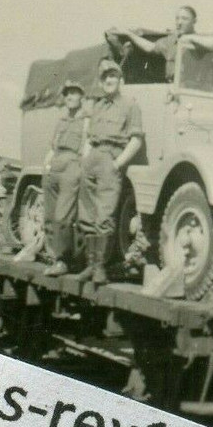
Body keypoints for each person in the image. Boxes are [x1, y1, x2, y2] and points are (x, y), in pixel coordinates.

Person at [76, 59, 144, 284]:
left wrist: (117, 163)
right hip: (92, 159)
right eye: (105, 77)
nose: (108, 80)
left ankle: (100, 268)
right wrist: (85, 158)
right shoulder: (97, 105)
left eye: (112, 76)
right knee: (87, 215)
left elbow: (136, 140)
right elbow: (88, 136)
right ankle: (90, 265)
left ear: (120, 79)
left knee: (105, 215)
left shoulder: (130, 105)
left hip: (110, 159)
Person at [40, 80, 88, 277]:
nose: (69, 97)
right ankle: (55, 257)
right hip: (55, 166)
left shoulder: (86, 120)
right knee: (50, 217)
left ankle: (64, 260)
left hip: (72, 166)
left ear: (81, 97)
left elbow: (87, 147)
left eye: (74, 93)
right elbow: (53, 147)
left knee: (63, 216)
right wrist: (46, 166)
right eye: (67, 93)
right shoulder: (61, 121)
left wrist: (80, 169)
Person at [105, 5, 213, 82]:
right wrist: (129, 34)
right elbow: (150, 47)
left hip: (192, 89)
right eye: (177, 18)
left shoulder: (200, 38)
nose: (179, 22)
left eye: (184, 19)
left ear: (194, 21)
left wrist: (190, 38)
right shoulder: (170, 41)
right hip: (170, 87)